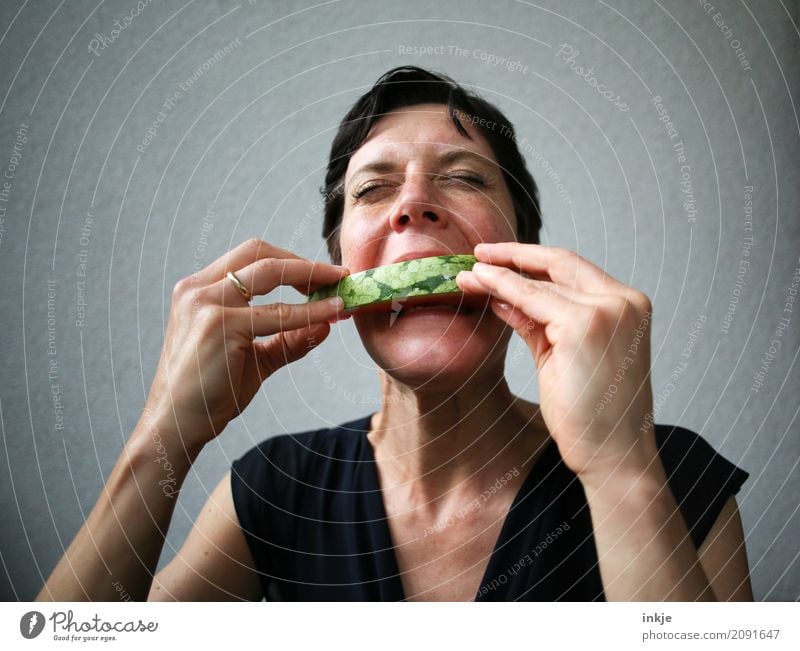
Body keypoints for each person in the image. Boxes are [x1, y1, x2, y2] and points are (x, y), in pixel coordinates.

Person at [37, 66, 751, 602]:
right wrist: (165, 431)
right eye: (373, 189)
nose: (413, 204)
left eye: (465, 178)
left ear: (525, 250)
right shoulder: (276, 489)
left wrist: (622, 468)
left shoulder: (673, 476)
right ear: (339, 264)